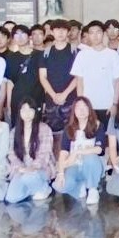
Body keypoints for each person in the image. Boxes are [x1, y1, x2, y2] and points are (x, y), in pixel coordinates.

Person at [71, 20, 119, 126]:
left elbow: (118, 82)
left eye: (98, 32)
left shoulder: (113, 55)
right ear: (88, 35)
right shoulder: (82, 55)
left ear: (104, 34)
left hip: (108, 106)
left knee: (109, 135)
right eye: (91, 33)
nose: (95, 36)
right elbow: (79, 83)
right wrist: (81, 104)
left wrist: (115, 104)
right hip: (88, 107)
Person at [56, 96, 107, 204]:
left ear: (89, 109)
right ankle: (81, 186)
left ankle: (93, 189)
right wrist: (60, 173)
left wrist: (77, 152)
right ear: (74, 111)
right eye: (78, 107)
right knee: (61, 185)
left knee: (90, 157)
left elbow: (99, 149)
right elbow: (63, 153)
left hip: (92, 165)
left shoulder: (97, 125)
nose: (82, 110)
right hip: (75, 165)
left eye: (85, 107)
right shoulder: (69, 128)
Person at [4, 99, 56, 203]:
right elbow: (11, 154)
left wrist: (32, 167)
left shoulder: (44, 128)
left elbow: (44, 154)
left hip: (40, 168)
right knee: (11, 198)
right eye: (23, 110)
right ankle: (36, 189)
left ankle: (44, 189)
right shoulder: (14, 131)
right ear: (19, 112)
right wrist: (21, 168)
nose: (27, 113)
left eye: (30, 110)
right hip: (21, 169)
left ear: (35, 111)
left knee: (27, 178)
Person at [39, 20, 79, 149]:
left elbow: (78, 76)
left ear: (68, 32)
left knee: (72, 135)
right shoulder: (46, 53)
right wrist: (54, 95)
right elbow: (42, 77)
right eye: (57, 30)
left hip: (71, 100)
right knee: (53, 137)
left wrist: (64, 94)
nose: (60, 33)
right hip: (51, 101)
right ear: (52, 32)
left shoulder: (75, 52)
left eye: (63, 30)